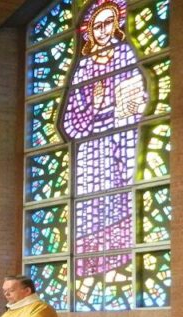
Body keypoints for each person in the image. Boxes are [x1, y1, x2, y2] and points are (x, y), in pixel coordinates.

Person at [61, 0, 148, 197]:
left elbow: (138, 91)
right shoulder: (83, 70)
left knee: (122, 193)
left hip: (123, 134)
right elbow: (70, 123)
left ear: (116, 24)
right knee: (93, 198)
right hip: (91, 147)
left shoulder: (125, 54)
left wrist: (137, 105)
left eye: (109, 23)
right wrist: (93, 106)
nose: (103, 30)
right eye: (97, 26)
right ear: (90, 30)